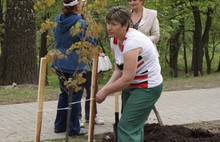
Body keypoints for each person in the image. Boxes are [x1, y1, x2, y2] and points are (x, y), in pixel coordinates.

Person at [96, 6, 163, 142]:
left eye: (113, 24)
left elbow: (126, 78)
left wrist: (105, 92)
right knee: (133, 126)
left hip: (147, 87)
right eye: (108, 23)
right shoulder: (114, 40)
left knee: (126, 127)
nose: (109, 27)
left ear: (125, 25)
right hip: (132, 86)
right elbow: (118, 70)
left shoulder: (133, 42)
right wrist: (103, 90)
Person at [52, 0, 96, 136]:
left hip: (59, 62)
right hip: (75, 65)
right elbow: (90, 42)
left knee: (64, 93)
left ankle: (59, 125)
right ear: (77, 6)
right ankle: (73, 129)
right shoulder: (80, 23)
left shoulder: (57, 20)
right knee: (75, 96)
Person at [77, 0, 104, 128]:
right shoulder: (73, 18)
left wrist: (97, 50)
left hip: (89, 59)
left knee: (92, 88)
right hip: (77, 60)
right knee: (78, 89)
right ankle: (78, 117)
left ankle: (92, 115)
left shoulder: (88, 17)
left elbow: (93, 37)